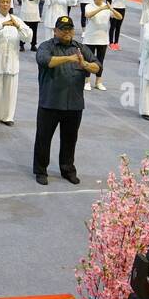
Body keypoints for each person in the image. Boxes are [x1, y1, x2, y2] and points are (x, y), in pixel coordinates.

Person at [33, 16, 99, 185]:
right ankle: (41, 171)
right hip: (50, 103)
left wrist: (85, 65)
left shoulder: (80, 48)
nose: (67, 32)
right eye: (63, 29)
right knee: (43, 139)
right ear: (55, 30)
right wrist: (69, 59)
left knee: (70, 139)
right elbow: (45, 61)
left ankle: (67, 169)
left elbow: (97, 66)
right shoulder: (46, 46)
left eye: (70, 28)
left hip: (74, 104)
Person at [0, 0, 32, 126]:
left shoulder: (17, 20)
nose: (5, 4)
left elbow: (28, 37)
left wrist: (18, 26)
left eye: (7, 2)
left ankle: (7, 117)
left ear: (10, 4)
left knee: (10, 91)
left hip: (12, 61)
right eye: (2, 2)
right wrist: (2, 24)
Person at [81, 0, 113, 92]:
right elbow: (88, 15)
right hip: (90, 38)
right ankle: (87, 81)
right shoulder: (89, 6)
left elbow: (119, 17)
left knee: (100, 61)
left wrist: (111, 8)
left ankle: (98, 82)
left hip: (103, 39)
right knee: (88, 61)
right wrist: (101, 8)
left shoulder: (107, 7)